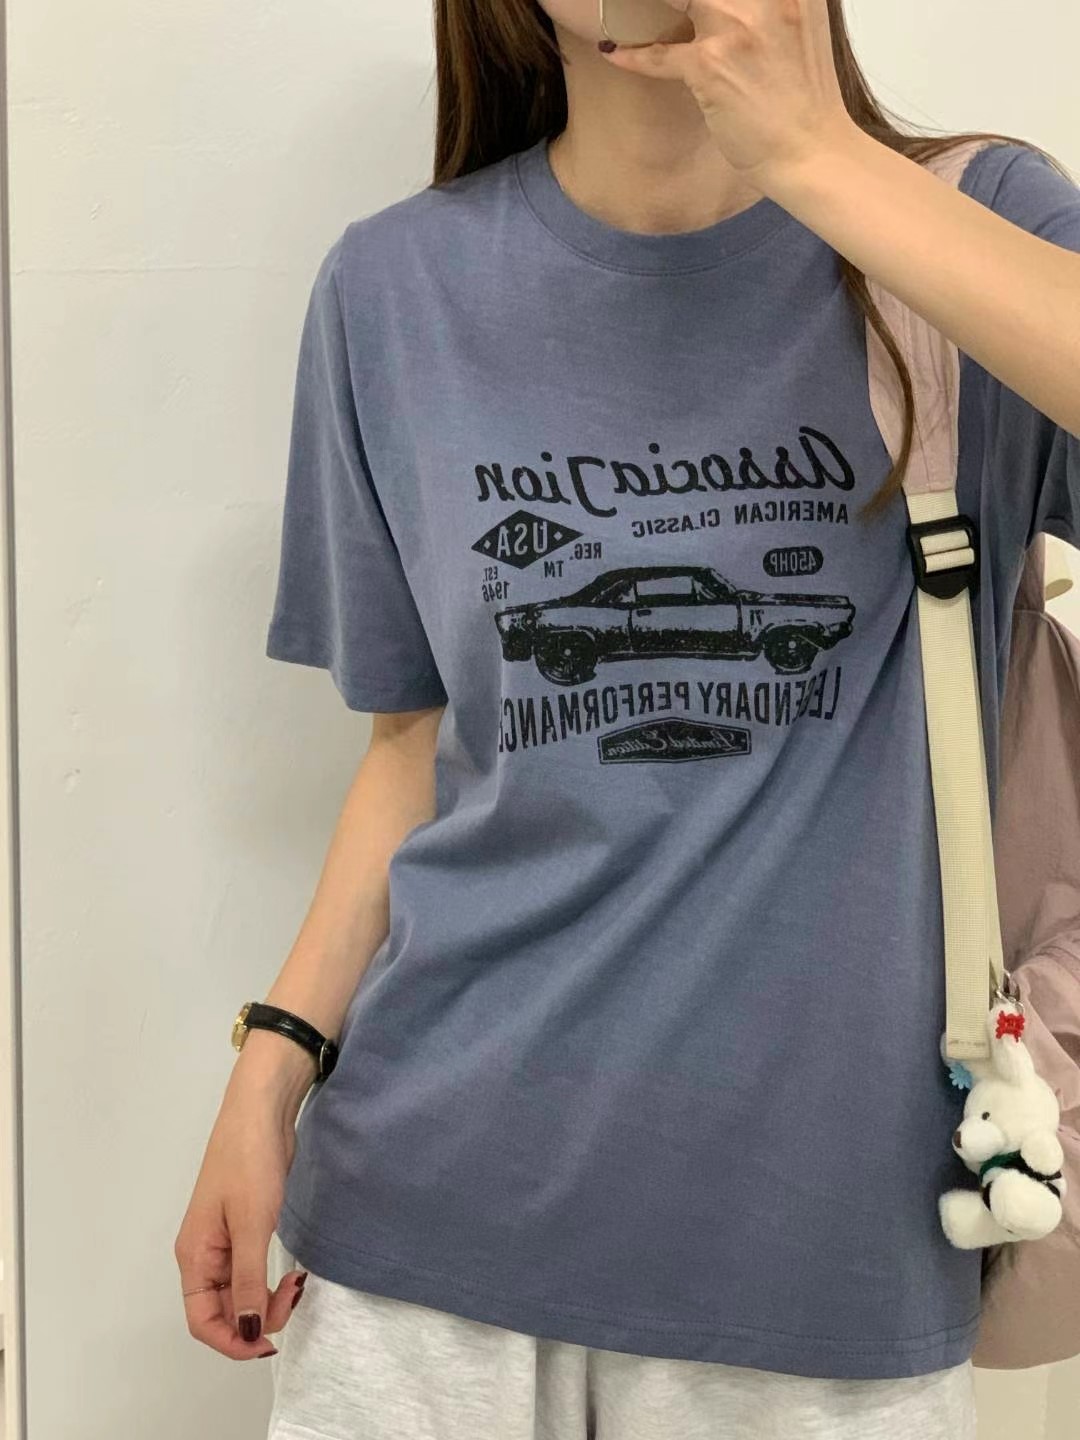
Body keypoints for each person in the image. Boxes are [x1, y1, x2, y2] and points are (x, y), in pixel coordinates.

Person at [174, 1, 1080, 1435]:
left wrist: (812, 154)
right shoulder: (395, 289)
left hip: (820, 1254)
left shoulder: (976, 219)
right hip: (423, 1230)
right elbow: (413, 751)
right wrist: (269, 1069)